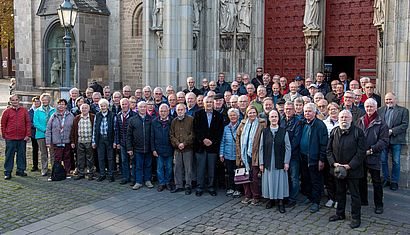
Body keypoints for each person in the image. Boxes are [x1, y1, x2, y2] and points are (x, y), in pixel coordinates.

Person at [327, 110, 366, 229]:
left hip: (353, 170)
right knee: (340, 192)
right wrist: (334, 164)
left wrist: (349, 166)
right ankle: (340, 214)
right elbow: (328, 151)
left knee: (355, 195)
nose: (344, 119)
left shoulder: (358, 132)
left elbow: (361, 152)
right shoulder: (334, 131)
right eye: (342, 117)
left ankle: (355, 217)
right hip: (338, 169)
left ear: (351, 119)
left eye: (346, 117)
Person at [357, 98, 389, 215]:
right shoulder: (360, 120)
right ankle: (363, 200)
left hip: (373, 156)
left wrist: (371, 150)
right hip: (361, 156)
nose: (369, 109)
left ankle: (379, 205)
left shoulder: (382, 123)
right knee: (361, 179)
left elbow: (384, 141)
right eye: (367, 106)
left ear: (376, 108)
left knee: (376, 182)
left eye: (371, 106)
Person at [259, 109, 291, 213]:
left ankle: (280, 202)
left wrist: (286, 162)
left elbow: (288, 148)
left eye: (275, 116)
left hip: (280, 160)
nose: (274, 118)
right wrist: (261, 163)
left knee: (280, 181)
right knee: (269, 181)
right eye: (272, 117)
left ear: (278, 118)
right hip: (268, 161)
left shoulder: (283, 131)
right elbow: (261, 148)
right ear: (269, 118)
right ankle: (270, 199)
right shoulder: (265, 131)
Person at [299, 103, 328, 213]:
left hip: (314, 158)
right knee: (306, 178)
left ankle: (316, 202)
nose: (307, 113)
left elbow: (324, 144)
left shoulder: (320, 125)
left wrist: (322, 159)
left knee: (316, 180)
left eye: (309, 111)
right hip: (303, 156)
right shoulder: (302, 123)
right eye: (305, 111)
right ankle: (310, 197)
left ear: (315, 113)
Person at [193, 96, 224, 196]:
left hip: (213, 147)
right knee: (200, 169)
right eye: (207, 102)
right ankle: (200, 187)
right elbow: (195, 129)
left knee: (212, 169)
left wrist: (212, 141)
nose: (209, 104)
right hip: (201, 146)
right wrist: (203, 140)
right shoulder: (198, 114)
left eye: (211, 102)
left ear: (213, 103)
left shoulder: (218, 116)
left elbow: (220, 131)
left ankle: (211, 187)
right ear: (204, 103)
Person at [236, 106, 267, 205]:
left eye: (254, 112)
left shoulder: (262, 124)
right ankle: (247, 195)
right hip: (244, 155)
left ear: (257, 113)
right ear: (247, 114)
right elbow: (238, 138)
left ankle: (256, 196)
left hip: (255, 155)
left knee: (254, 177)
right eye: (250, 113)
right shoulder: (242, 124)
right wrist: (239, 154)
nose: (252, 114)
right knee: (245, 176)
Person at [378, 92, 409, 190]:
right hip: (383, 140)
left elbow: (404, 125)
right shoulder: (380, 110)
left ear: (395, 100)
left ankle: (394, 181)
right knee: (383, 160)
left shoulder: (403, 110)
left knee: (396, 161)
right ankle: (386, 179)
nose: (388, 101)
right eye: (386, 99)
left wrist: (392, 131)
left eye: (390, 99)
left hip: (396, 139)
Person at [2, 94, 31, 179]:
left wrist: (27, 134)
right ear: (10, 101)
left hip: (22, 138)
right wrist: (4, 135)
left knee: (21, 155)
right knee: (9, 155)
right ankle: (7, 172)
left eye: (16, 100)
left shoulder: (24, 111)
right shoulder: (7, 111)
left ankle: (20, 170)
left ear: (19, 100)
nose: (15, 101)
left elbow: (28, 123)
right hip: (10, 137)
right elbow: (3, 124)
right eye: (13, 100)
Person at [127, 101, 153, 190]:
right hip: (137, 148)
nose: (142, 108)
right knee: (138, 166)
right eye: (141, 107)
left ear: (146, 108)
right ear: (138, 108)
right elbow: (129, 135)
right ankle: (138, 182)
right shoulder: (132, 120)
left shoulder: (151, 119)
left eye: (144, 107)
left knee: (148, 165)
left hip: (148, 148)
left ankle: (147, 180)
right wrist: (129, 148)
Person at [280, 101, 302, 208]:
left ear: (294, 110)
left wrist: (287, 151)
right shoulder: (281, 120)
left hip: (293, 154)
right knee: (285, 176)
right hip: (282, 154)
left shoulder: (298, 122)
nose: (288, 110)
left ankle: (293, 198)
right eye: (286, 109)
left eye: (290, 109)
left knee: (294, 177)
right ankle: (285, 196)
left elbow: (296, 140)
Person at [170, 103, 195, 194]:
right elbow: (171, 135)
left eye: (181, 110)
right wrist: (178, 144)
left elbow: (193, 134)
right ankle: (178, 185)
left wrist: (184, 143)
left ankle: (188, 185)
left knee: (188, 168)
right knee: (177, 167)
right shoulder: (174, 121)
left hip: (187, 148)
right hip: (177, 149)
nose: (180, 111)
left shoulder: (191, 120)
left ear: (185, 110)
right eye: (178, 110)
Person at [46, 99, 75, 175]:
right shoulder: (53, 116)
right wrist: (48, 142)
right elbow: (48, 129)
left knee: (67, 157)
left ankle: (67, 172)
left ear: (66, 106)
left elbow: (73, 129)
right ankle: (57, 172)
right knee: (57, 158)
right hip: (56, 141)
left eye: (63, 104)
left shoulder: (71, 116)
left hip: (67, 141)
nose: (61, 106)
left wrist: (72, 141)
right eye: (59, 104)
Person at [151, 104, 174, 192]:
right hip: (158, 149)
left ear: (168, 112)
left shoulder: (172, 121)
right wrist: (153, 149)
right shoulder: (154, 121)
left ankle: (168, 182)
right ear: (158, 112)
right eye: (161, 111)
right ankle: (161, 183)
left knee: (169, 168)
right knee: (159, 168)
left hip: (169, 148)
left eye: (165, 111)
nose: (163, 113)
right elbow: (151, 136)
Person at [220, 108, 242, 198]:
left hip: (237, 155)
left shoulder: (241, 126)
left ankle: (238, 189)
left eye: (234, 115)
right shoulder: (226, 128)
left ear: (238, 116)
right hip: (228, 154)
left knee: (238, 172)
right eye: (231, 115)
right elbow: (223, 141)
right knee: (229, 172)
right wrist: (221, 153)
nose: (232, 117)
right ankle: (231, 188)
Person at [92, 98, 116, 182]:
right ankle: (102, 174)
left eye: (104, 106)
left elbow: (115, 129)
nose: (103, 107)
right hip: (100, 139)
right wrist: (94, 141)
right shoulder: (97, 115)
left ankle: (111, 174)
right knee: (101, 157)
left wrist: (115, 141)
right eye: (101, 106)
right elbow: (95, 128)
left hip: (109, 138)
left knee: (110, 157)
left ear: (107, 106)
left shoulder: (112, 115)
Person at [114, 98, 136, 185]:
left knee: (133, 161)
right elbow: (117, 130)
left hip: (132, 143)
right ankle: (126, 177)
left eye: (126, 104)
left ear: (129, 105)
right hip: (122, 142)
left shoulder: (134, 115)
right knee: (124, 161)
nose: (124, 106)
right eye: (122, 104)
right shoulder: (118, 115)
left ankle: (134, 178)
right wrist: (117, 142)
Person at [70, 104, 95, 180]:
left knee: (90, 158)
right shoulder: (77, 118)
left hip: (89, 141)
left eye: (86, 108)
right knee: (80, 158)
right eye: (82, 108)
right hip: (80, 141)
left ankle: (90, 173)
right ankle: (81, 173)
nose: (84, 109)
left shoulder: (92, 117)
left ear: (89, 109)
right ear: (80, 110)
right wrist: (72, 142)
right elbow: (73, 131)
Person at [34, 93, 56, 176]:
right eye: (43, 100)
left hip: (52, 135)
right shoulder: (37, 111)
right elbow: (36, 123)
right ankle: (44, 169)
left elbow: (55, 121)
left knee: (52, 152)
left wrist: (50, 131)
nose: (44, 101)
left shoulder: (53, 110)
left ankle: (54, 168)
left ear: (49, 100)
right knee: (43, 153)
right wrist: (45, 130)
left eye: (46, 99)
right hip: (41, 134)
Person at [29, 96, 41, 172]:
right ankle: (35, 165)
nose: (37, 103)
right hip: (34, 133)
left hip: (42, 132)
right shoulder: (30, 111)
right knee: (35, 149)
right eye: (35, 101)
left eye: (38, 101)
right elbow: (29, 122)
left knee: (44, 150)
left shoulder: (42, 110)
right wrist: (37, 125)